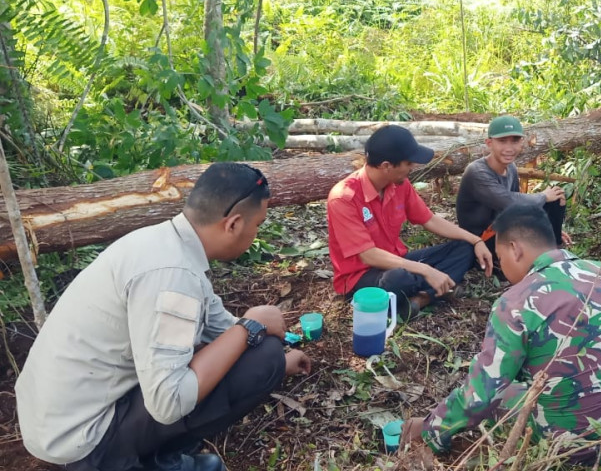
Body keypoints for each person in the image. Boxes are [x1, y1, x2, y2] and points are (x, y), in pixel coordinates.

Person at [15, 163, 312, 471]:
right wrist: (252, 326)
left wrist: (279, 357)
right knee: (262, 357)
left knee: (255, 351)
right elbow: (168, 404)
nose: (256, 232)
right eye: (258, 224)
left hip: (59, 415)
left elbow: (217, 325)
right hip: (84, 440)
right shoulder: (172, 276)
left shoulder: (165, 245)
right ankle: (145, 462)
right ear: (234, 224)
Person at [400, 204, 601, 464]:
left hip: (568, 443)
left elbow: (480, 397)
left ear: (515, 249)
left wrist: (429, 429)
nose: (503, 268)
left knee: (503, 393)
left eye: (501, 259)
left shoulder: (514, 303)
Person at [327, 124, 493, 320]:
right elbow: (368, 256)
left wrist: (475, 240)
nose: (412, 167)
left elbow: (429, 219)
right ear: (387, 166)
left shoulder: (399, 185)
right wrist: (425, 269)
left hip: (399, 260)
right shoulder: (344, 198)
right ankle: (433, 290)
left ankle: (420, 299)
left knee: (464, 248)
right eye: (408, 163)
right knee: (399, 278)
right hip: (362, 277)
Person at [455, 115, 569, 262]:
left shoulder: (511, 168)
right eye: (502, 141)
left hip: (503, 227)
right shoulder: (477, 171)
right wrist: (543, 196)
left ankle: (554, 246)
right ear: (489, 143)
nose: (509, 148)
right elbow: (509, 203)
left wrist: (545, 229)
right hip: (481, 239)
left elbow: (518, 210)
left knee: (557, 197)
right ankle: (546, 255)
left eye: (514, 141)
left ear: (521, 143)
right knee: (547, 198)